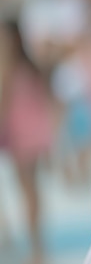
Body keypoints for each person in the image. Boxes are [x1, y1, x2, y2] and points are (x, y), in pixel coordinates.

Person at [0, 20, 58, 264]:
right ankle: (35, 245)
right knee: (30, 189)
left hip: (20, 133)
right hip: (29, 132)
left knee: (28, 189)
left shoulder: (11, 66)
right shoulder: (29, 66)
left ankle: (36, 247)